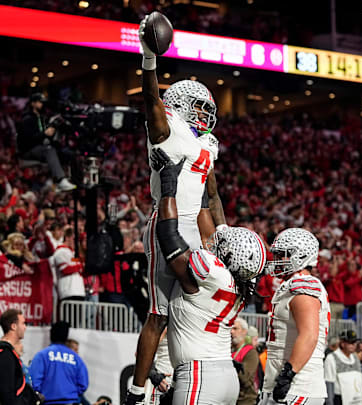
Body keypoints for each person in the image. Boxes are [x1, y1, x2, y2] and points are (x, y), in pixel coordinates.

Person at [126, 13, 227, 404]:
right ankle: (136, 390)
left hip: (194, 231)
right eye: (200, 107)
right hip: (165, 222)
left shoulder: (207, 144)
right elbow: (150, 97)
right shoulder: (166, 125)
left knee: (193, 308)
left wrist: (224, 235)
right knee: (159, 312)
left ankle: (175, 376)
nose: (206, 114)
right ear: (181, 105)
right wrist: (149, 58)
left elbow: (212, 196)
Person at [124, 149, 266, 405]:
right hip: (225, 376)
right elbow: (211, 215)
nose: (221, 241)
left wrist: (169, 185)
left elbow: (168, 238)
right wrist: (199, 175)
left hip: (200, 376)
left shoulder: (211, 273)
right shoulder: (240, 283)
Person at [260, 228, 331, 405]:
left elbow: (309, 335)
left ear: (300, 256)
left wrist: (288, 376)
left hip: (298, 387)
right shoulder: (291, 284)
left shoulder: (303, 285)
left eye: (282, 255)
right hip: (287, 386)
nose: (277, 260)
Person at [0, 309, 42, 405]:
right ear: (13, 326)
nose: (25, 327)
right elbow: (7, 395)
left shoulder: (7, 353)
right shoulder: (4, 355)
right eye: (23, 323)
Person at [17, 93, 76, 192]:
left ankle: (75, 179)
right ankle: (60, 180)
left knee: (67, 153)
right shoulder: (27, 119)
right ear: (33, 104)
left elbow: (46, 137)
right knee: (48, 150)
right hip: (29, 150)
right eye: (40, 102)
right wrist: (44, 134)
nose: (42, 105)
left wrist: (52, 133)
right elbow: (27, 140)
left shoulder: (43, 118)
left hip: (41, 147)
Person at [30, 321, 89, 405]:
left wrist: (42, 394)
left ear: (51, 335)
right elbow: (83, 384)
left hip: (47, 402)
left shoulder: (42, 355)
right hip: (70, 401)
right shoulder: (76, 358)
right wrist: (71, 393)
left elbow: (33, 381)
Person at [324, 330, 362, 405]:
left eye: (355, 342)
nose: (353, 345)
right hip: (339, 399)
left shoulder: (355, 357)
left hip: (356, 400)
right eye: (350, 342)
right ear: (342, 343)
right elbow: (329, 383)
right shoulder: (331, 358)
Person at [231, 318, 259, 405]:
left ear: (244, 331)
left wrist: (231, 366)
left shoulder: (250, 352)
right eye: (231, 329)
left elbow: (245, 377)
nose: (231, 332)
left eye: (235, 329)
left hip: (245, 400)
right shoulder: (228, 350)